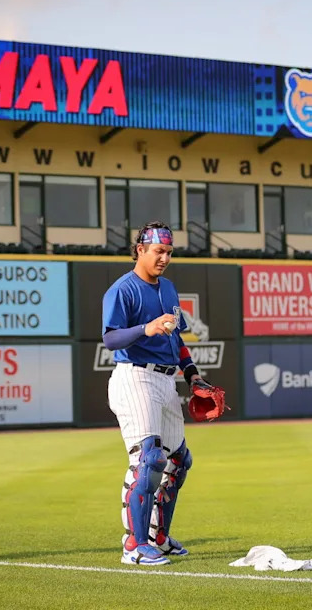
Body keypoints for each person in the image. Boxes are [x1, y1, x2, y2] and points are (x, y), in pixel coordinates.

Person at [102, 220, 207, 566]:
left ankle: (158, 538)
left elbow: (177, 339)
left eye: (169, 252)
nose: (164, 258)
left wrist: (192, 376)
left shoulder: (169, 289)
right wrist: (145, 328)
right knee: (150, 459)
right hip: (135, 377)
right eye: (159, 251)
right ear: (140, 250)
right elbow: (110, 339)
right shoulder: (123, 289)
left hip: (166, 380)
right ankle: (134, 546)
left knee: (179, 460)